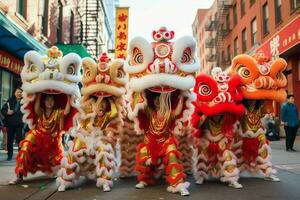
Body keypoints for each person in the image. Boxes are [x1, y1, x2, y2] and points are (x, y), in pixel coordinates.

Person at [10, 93, 71, 184]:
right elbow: (36, 109)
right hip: (37, 134)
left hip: (52, 138)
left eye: (52, 100)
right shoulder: (41, 111)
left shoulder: (57, 112)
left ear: (54, 102)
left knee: (56, 160)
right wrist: (38, 94)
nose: (50, 102)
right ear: (44, 101)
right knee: (25, 147)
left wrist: (69, 97)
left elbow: (66, 112)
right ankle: (19, 175)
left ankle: (53, 170)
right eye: (47, 100)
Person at [0, 87, 24, 160]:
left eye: (20, 92)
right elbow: (2, 110)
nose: (19, 93)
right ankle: (9, 155)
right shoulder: (10, 100)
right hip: (10, 123)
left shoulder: (24, 101)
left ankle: (20, 155)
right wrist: (7, 112)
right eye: (17, 92)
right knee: (10, 140)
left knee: (20, 139)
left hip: (20, 123)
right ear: (14, 93)